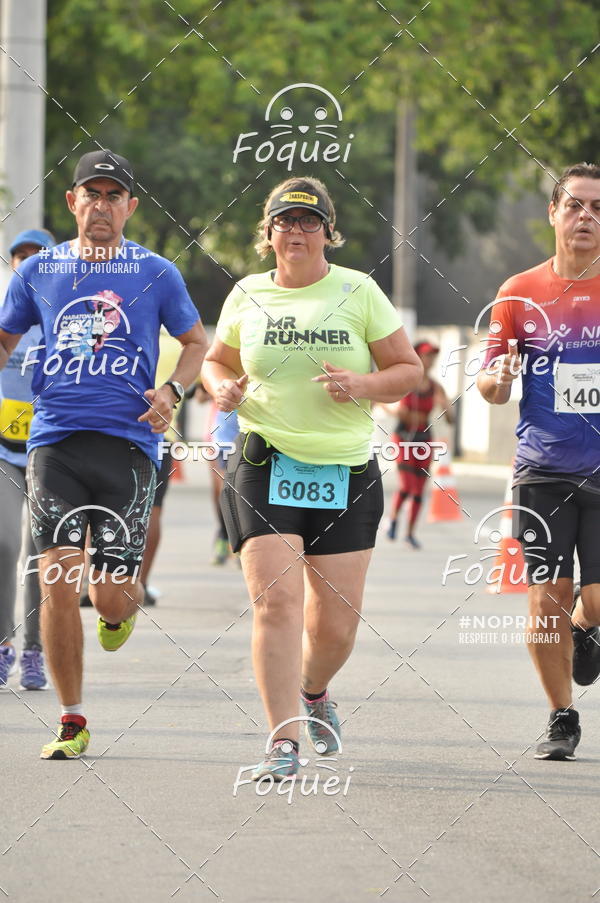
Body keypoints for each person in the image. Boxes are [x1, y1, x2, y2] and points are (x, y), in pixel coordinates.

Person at [201, 176, 422, 779]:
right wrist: (220, 385)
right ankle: (282, 741)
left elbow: (409, 369)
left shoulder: (359, 291)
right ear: (267, 235)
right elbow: (216, 359)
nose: (295, 231)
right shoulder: (246, 294)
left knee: (335, 625)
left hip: (345, 470)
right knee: (276, 604)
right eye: (284, 222)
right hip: (263, 461)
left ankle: (314, 690)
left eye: (309, 221)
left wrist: (364, 386)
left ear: (329, 232)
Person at [0, 149, 207, 759]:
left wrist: (173, 389)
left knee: (109, 593)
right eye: (91, 194)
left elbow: (194, 342)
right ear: (72, 203)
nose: (101, 205)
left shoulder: (157, 273)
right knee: (59, 582)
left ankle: (121, 608)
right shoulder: (37, 272)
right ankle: (71, 721)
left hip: (131, 448)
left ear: (130, 207)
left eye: (114, 195)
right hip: (55, 444)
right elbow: (5, 336)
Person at [477, 161, 600, 761]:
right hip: (544, 468)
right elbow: (490, 384)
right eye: (575, 204)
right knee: (546, 597)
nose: (586, 216)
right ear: (553, 213)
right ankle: (562, 716)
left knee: (594, 599)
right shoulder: (519, 293)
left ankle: (587, 626)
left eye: (598, 208)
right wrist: (497, 381)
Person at [0, 229, 56, 690]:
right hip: (3, 451)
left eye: (39, 257)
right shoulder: (3, 317)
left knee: (41, 552)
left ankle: (34, 651)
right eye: (21, 257)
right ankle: (4, 644)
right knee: (3, 545)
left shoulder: (66, 317)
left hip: (50, 451)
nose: (29, 264)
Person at [384, 339, 454, 548]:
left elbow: (452, 419)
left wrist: (446, 407)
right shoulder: (405, 381)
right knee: (407, 485)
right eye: (426, 356)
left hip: (424, 438)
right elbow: (381, 400)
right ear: (417, 356)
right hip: (404, 436)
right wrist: (394, 410)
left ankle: (410, 533)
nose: (430, 360)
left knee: (419, 489)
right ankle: (394, 519)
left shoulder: (435, 387)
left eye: (433, 356)